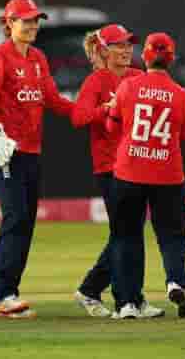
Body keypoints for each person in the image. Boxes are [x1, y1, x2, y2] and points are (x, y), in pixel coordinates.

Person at [0, 0, 79, 318]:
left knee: (26, 221)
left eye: (35, 20)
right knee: (16, 216)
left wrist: (93, 112)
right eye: (25, 20)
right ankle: (2, 295)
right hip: (4, 153)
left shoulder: (38, 58)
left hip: (31, 152)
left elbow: (52, 100)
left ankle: (10, 293)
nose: (32, 25)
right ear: (9, 24)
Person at [71, 25, 163, 319]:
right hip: (110, 167)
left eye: (128, 45)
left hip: (139, 165)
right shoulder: (96, 82)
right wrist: (108, 109)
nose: (126, 50)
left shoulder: (139, 77)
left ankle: (117, 294)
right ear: (103, 51)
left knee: (128, 232)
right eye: (118, 45)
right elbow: (79, 117)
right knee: (126, 233)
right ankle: (126, 298)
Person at [107, 32, 185, 319]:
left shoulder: (127, 88)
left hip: (129, 171)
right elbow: (181, 135)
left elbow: (112, 128)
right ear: (171, 59)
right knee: (172, 237)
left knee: (126, 237)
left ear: (144, 56)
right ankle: (174, 280)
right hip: (168, 174)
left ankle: (128, 303)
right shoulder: (182, 96)